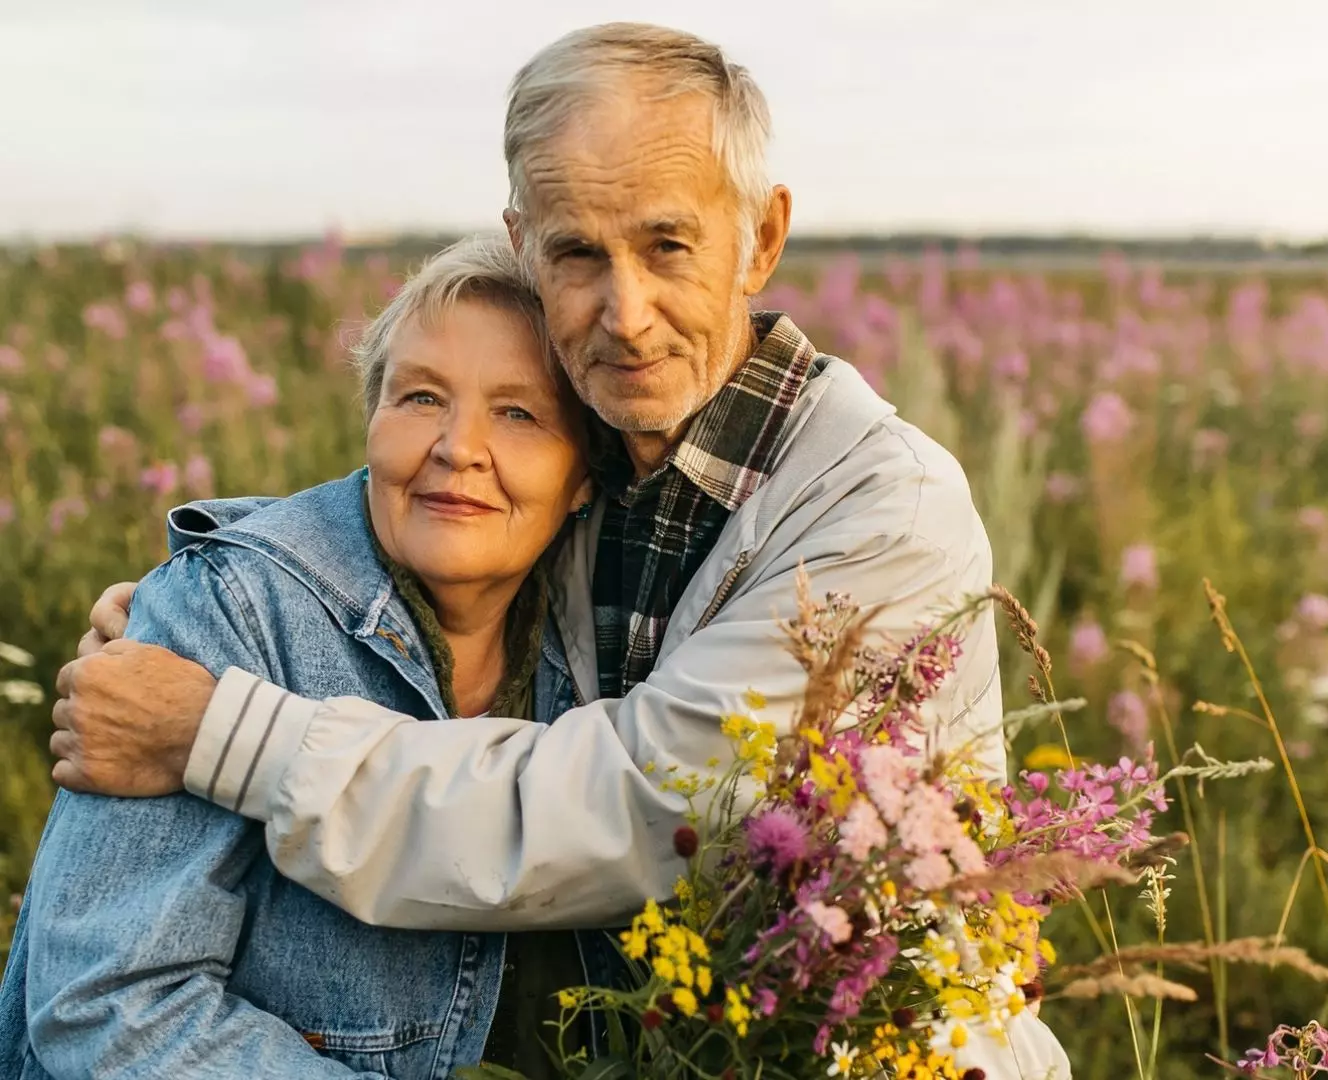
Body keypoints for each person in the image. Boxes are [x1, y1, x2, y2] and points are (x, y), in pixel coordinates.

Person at [43, 23, 1070, 1077]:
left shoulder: (882, 508)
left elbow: (634, 806)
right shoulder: (603, 470)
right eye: (578, 252)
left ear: (761, 240)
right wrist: (210, 593)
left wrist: (220, 727)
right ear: (525, 243)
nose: (625, 315)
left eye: (667, 246)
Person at [0, 237, 612, 1079]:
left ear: (585, 475)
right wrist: (189, 599)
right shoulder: (226, 612)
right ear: (371, 422)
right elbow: (108, 1007)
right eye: (421, 396)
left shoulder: (604, 646)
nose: (457, 447)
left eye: (518, 412)